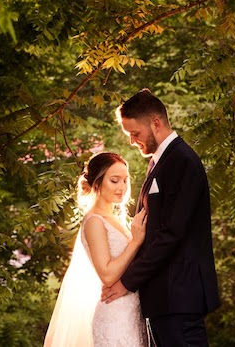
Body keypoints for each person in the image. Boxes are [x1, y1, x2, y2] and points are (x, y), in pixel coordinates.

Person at [102, 89, 220, 346]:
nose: (132, 141)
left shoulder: (182, 161)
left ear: (155, 123)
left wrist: (128, 282)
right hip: (165, 297)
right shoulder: (161, 161)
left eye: (135, 133)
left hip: (179, 296)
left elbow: (171, 233)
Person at [44, 152, 149, 346]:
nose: (122, 187)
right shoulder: (94, 221)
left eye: (125, 180)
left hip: (131, 313)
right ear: (97, 184)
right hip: (114, 318)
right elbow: (107, 275)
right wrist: (135, 242)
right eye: (115, 180)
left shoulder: (117, 219)